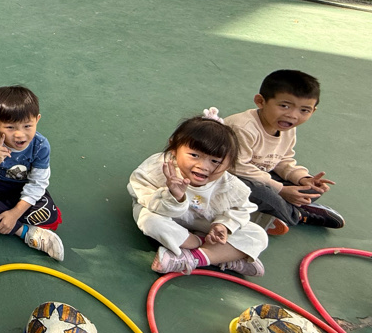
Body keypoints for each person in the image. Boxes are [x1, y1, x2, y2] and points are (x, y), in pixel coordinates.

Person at [128, 112, 268, 276]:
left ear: (229, 164)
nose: (203, 166)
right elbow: (141, 195)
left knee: (258, 235)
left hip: (204, 223)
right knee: (149, 220)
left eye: (215, 161)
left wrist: (223, 225)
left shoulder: (230, 185)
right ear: (174, 148)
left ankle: (192, 257)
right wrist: (175, 197)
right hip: (168, 219)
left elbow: (241, 209)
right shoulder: (157, 168)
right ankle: (218, 254)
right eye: (194, 155)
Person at [224, 70, 343, 233]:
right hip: (227, 177)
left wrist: (303, 178)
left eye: (304, 110)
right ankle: (298, 215)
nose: (293, 115)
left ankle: (274, 210)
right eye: (284, 106)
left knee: (311, 189)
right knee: (260, 193)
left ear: (313, 111)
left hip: (259, 174)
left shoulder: (287, 127)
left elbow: (282, 160)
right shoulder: (242, 127)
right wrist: (280, 190)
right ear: (260, 101)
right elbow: (237, 168)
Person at [0, 86, 65, 261]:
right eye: (10, 127)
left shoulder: (40, 145)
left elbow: (38, 183)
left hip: (22, 188)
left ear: (37, 120)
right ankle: (25, 232)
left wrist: (15, 213)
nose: (19, 135)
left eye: (27, 126)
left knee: (49, 215)